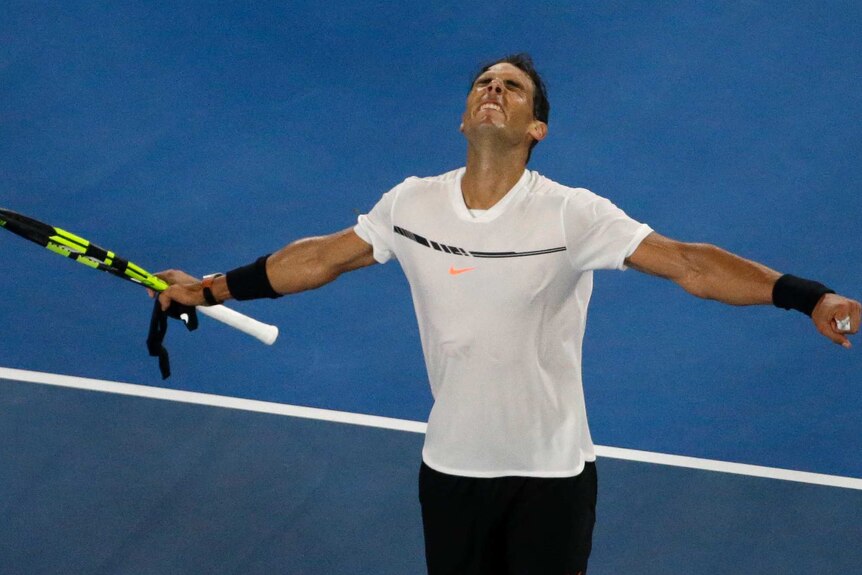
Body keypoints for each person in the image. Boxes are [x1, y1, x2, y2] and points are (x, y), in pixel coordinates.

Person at [155, 53, 860, 575]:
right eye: (484, 84)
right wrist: (210, 288)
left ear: (537, 128)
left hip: (550, 476)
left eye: (512, 87)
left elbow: (691, 263)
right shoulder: (411, 204)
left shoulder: (570, 213)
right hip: (452, 467)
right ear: (465, 116)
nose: (494, 90)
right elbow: (318, 259)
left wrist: (808, 295)